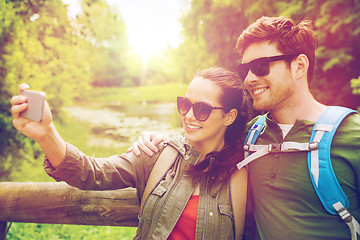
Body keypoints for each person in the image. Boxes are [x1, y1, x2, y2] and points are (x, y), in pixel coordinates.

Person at [130, 16, 360, 240]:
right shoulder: (249, 134)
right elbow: (200, 134)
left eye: (261, 66)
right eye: (245, 69)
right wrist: (155, 140)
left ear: (299, 66)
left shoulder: (352, 136)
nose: (249, 78)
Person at [11, 67, 251, 240]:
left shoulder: (245, 171)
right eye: (185, 104)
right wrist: (46, 133)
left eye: (202, 109)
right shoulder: (157, 154)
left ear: (229, 116)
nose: (188, 115)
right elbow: (91, 172)